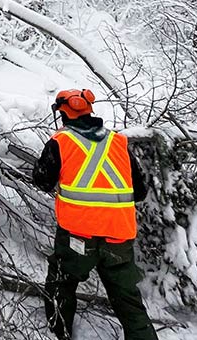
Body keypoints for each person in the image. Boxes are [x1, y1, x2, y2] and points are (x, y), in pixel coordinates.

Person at [32, 89, 157, 340]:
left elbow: (42, 180)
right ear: (89, 110)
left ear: (62, 113)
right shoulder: (118, 142)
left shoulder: (61, 141)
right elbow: (140, 191)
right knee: (127, 299)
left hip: (78, 237)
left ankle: (60, 333)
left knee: (61, 283)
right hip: (119, 238)